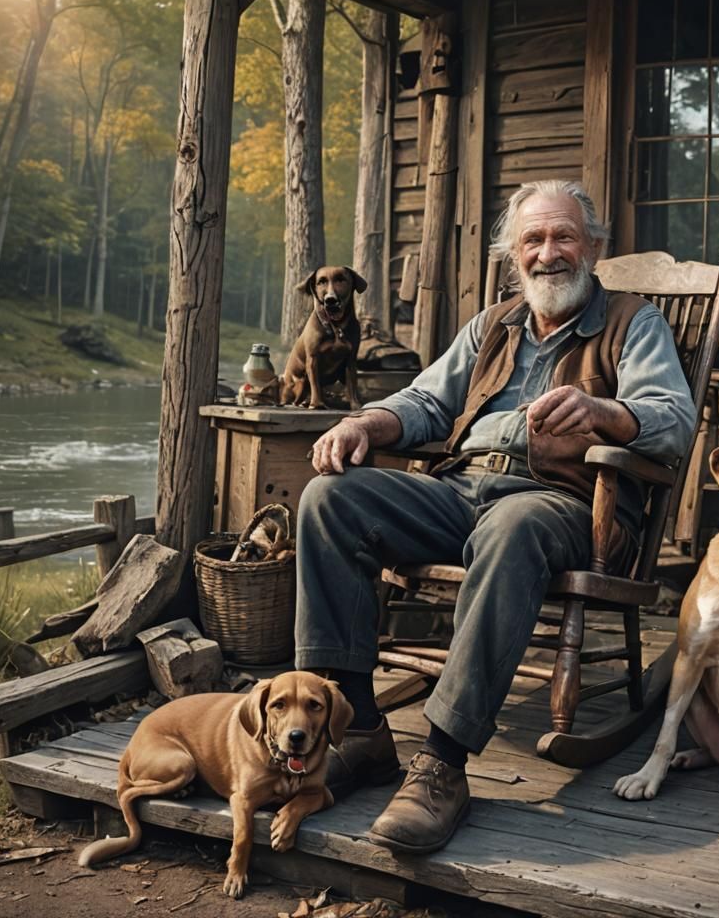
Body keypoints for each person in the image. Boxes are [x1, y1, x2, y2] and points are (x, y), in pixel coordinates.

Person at [296, 179, 696, 854]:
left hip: (563, 503)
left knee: (510, 528)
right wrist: (366, 422)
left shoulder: (634, 322)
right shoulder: (493, 324)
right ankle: (360, 727)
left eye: (564, 236)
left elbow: (676, 422)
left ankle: (442, 765)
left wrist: (606, 414)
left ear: (592, 246)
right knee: (329, 499)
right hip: (460, 489)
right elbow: (426, 402)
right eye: (533, 240)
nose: (549, 253)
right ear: (514, 254)